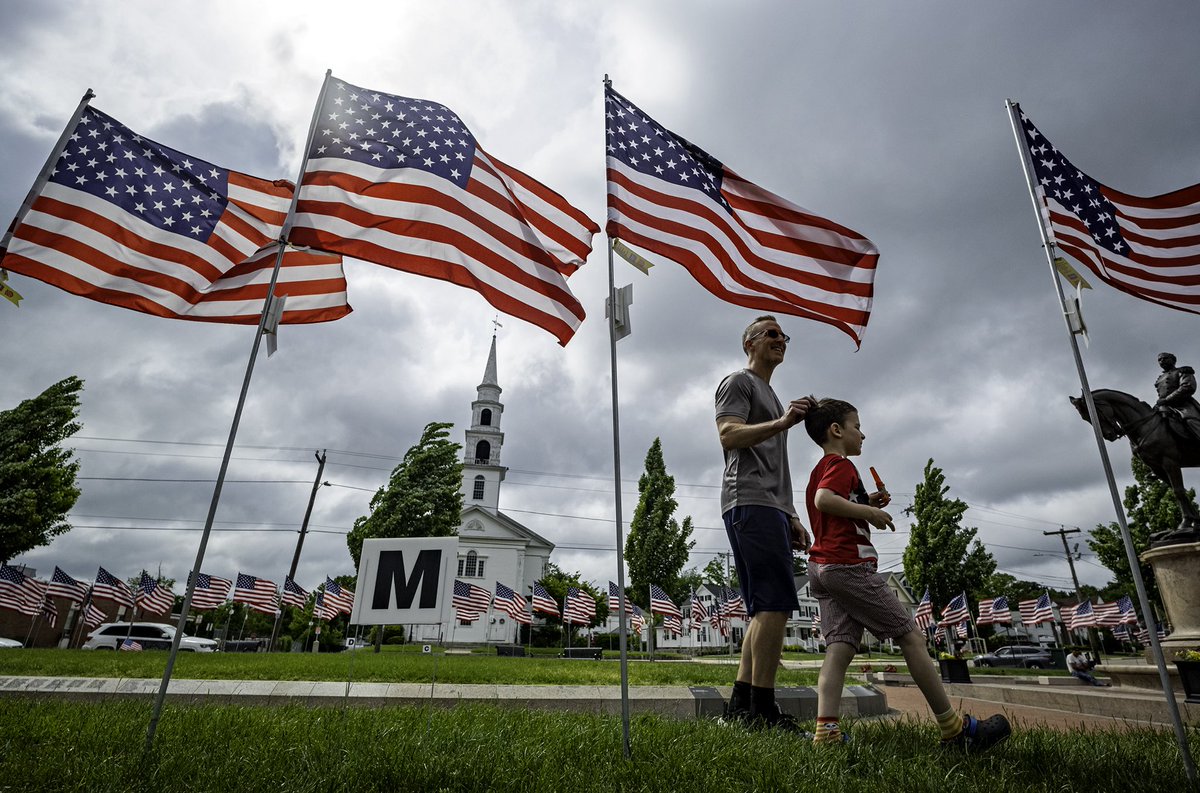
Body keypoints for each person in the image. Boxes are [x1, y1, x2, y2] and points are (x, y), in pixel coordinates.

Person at [802, 398, 1012, 750]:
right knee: (913, 638)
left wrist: (868, 501)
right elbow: (826, 500)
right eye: (857, 425)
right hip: (847, 565)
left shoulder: (820, 469)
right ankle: (953, 729)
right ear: (836, 431)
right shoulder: (841, 465)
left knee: (838, 648)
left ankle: (827, 733)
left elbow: (830, 504)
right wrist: (869, 514)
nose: (863, 433)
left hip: (821, 569)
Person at [715, 315, 813, 733]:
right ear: (748, 343)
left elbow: (778, 463)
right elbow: (728, 434)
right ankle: (763, 712)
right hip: (748, 499)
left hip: (769, 506)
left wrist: (790, 513)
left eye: (783, 336)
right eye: (771, 334)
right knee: (774, 604)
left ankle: (741, 706)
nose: (781, 340)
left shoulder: (772, 395)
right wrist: (782, 422)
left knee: (763, 608)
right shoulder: (738, 382)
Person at [1154, 352, 1200, 441]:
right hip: (1164, 407)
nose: (1162, 361)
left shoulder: (1182, 371)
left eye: (1165, 358)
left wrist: (1167, 399)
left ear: (1173, 360)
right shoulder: (1160, 378)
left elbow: (1187, 387)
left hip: (1183, 405)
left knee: (1191, 422)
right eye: (1159, 360)